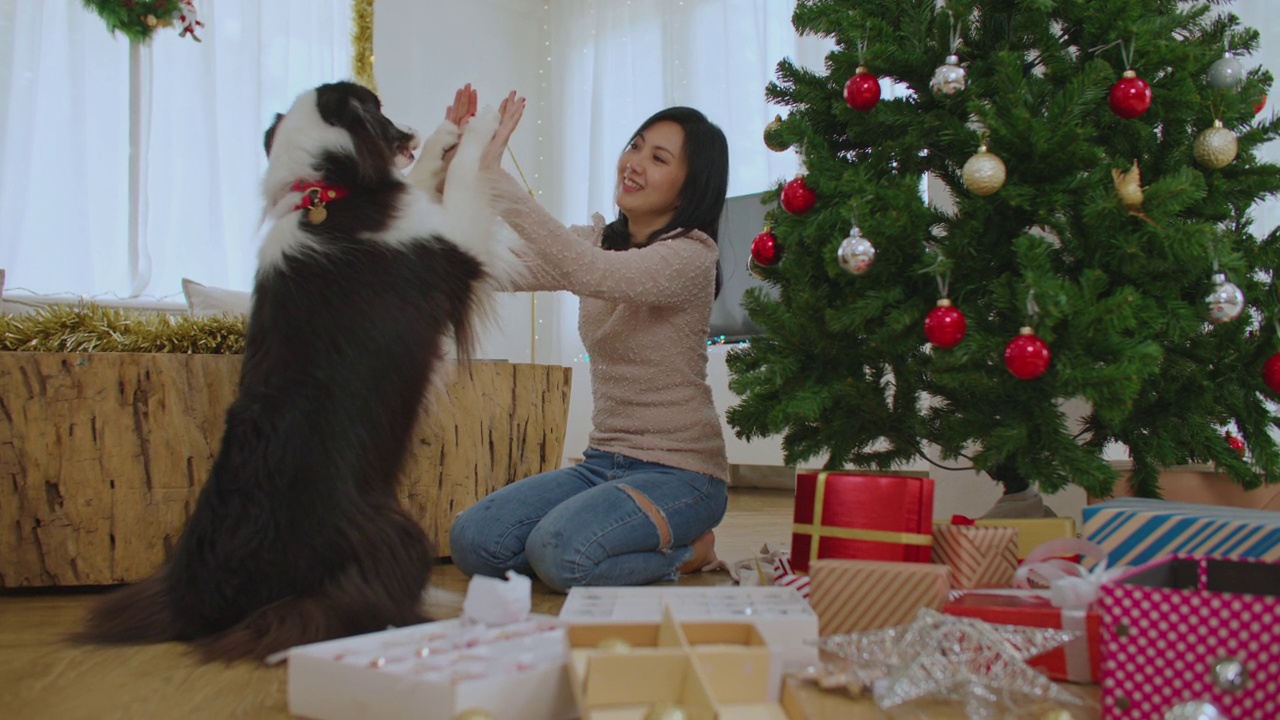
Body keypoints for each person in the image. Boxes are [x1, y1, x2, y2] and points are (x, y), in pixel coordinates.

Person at [446, 86, 732, 593]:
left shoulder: (691, 257)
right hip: (603, 463)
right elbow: (491, 268)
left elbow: (595, 273)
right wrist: (457, 170)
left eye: (658, 157)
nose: (635, 162)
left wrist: (499, 184)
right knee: (474, 541)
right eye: (635, 145)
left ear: (691, 187)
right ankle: (599, 538)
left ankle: (690, 552)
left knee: (561, 555)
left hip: (682, 477)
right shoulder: (594, 239)